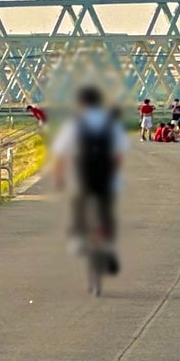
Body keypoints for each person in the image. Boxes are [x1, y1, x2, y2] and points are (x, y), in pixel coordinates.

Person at [50, 86, 127, 280]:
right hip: (105, 177)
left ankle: (79, 238)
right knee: (106, 211)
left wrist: (59, 179)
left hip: (82, 176)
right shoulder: (111, 123)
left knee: (77, 204)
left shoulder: (75, 123)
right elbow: (118, 155)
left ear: (81, 103)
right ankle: (108, 246)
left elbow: (60, 154)